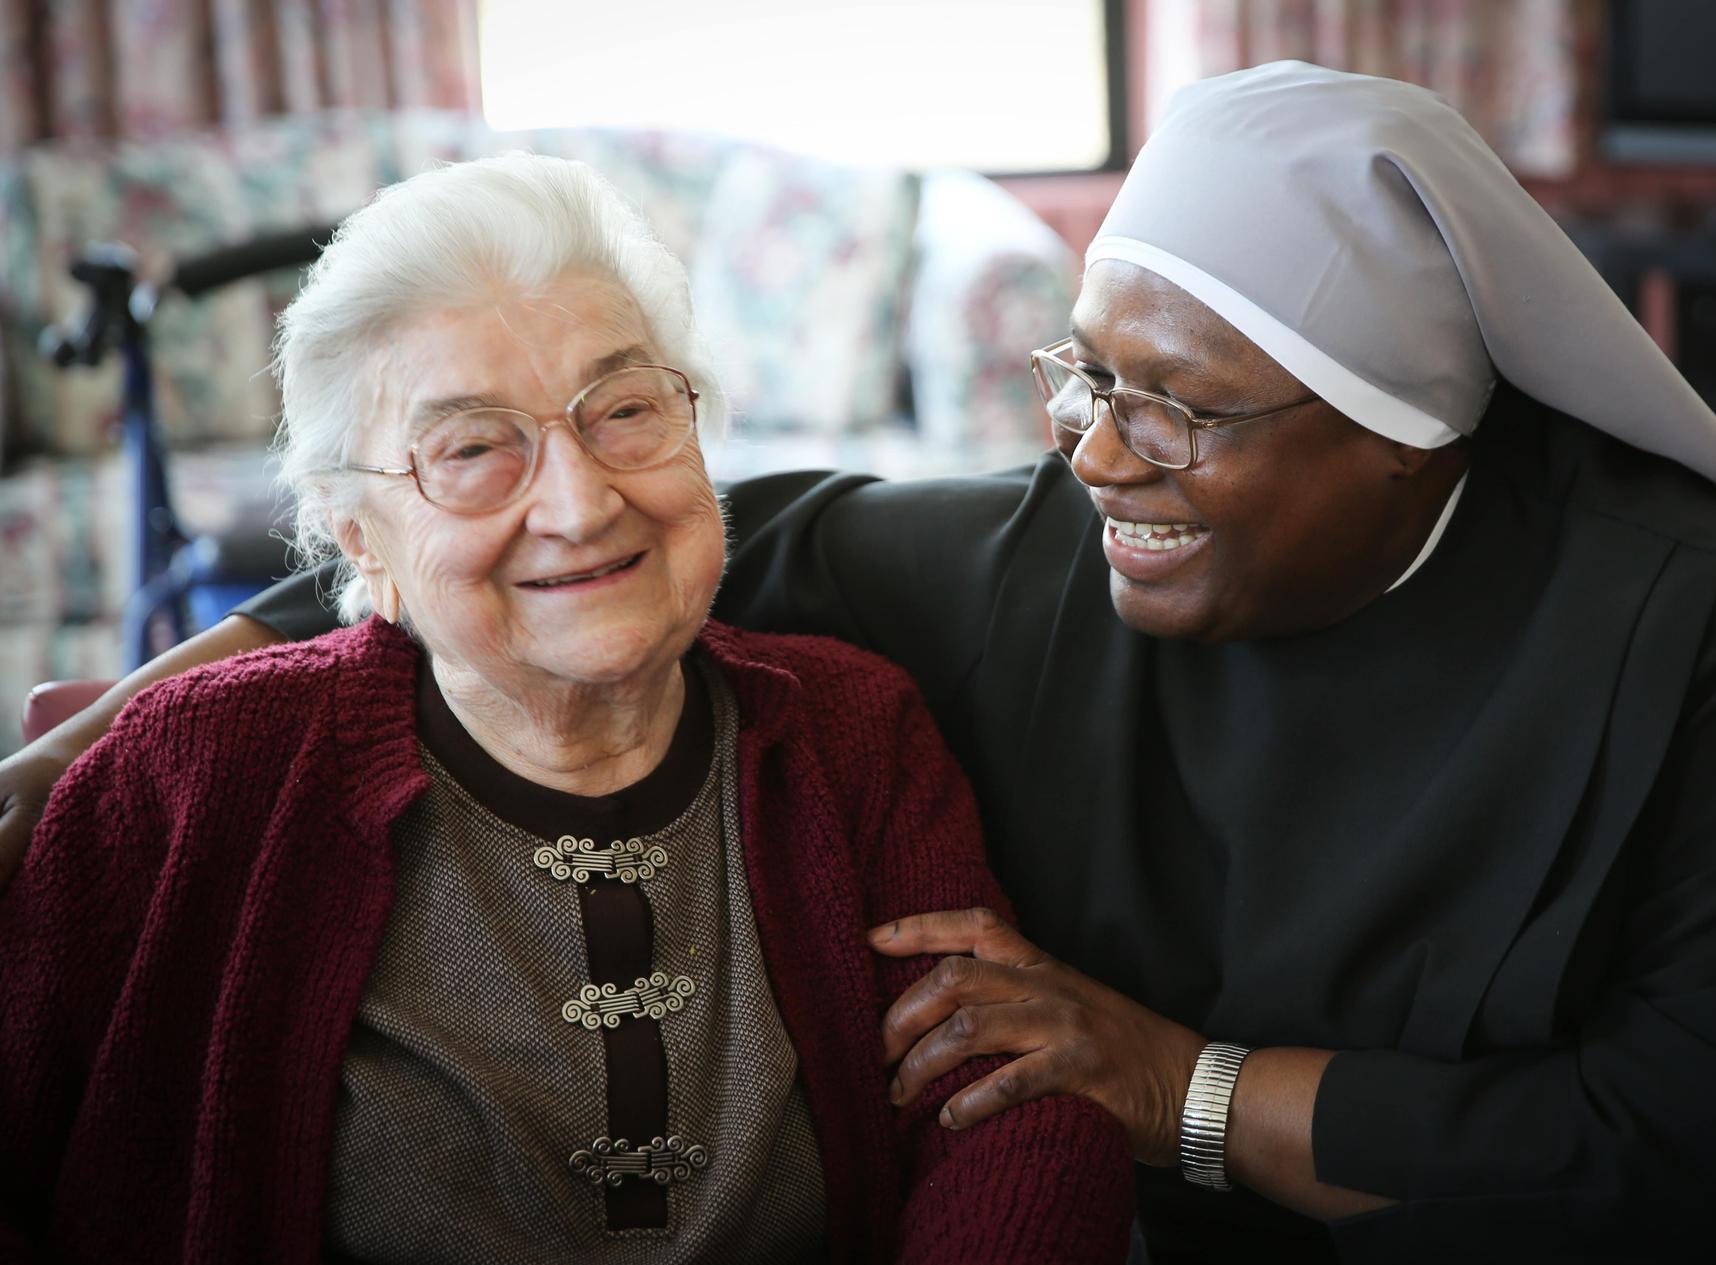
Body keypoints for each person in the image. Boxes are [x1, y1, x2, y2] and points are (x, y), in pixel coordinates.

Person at [4, 61, 1716, 1262]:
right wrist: (148, 709)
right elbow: (595, 531)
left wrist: (1177, 1085)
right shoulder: (1033, 562)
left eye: (1179, 413)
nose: (1092, 455)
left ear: (1410, 432)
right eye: (1084, 377)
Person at [0, 153, 1134, 1263]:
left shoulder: (852, 735)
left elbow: (1008, 1109)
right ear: (362, 543)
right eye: (474, 448)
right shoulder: (194, 768)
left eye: (625, 409)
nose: (583, 503)